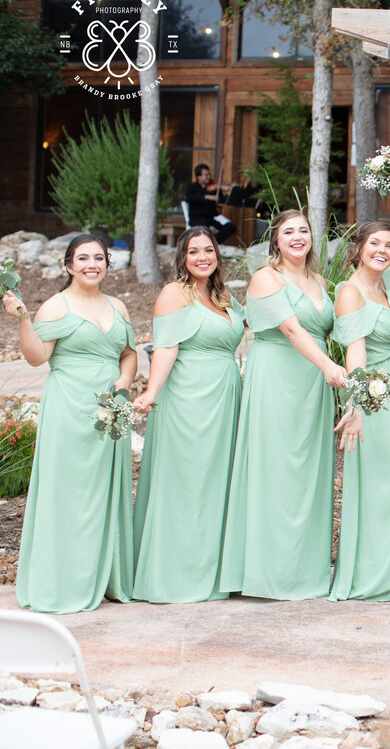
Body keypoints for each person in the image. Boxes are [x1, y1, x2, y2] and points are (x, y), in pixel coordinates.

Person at [1, 235, 137, 614]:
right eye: (83, 258)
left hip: (109, 409)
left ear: (107, 264)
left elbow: (128, 354)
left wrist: (123, 385)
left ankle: (104, 576)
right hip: (68, 407)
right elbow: (35, 358)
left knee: (104, 493)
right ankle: (62, 579)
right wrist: (24, 319)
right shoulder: (55, 307)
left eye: (99, 258)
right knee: (66, 493)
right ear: (68, 265)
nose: (92, 264)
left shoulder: (118, 306)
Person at [220, 209, 345, 600]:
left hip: (314, 384)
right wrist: (329, 365)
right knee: (274, 468)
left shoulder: (320, 281)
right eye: (288, 231)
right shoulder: (265, 277)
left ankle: (305, 571)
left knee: (308, 472)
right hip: (277, 376)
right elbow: (291, 329)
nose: (296, 237)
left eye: (303, 230)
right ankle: (266, 572)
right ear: (275, 240)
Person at [130, 227, 246, 603]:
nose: (201, 257)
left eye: (208, 250)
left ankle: (214, 572)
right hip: (188, 399)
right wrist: (151, 391)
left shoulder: (224, 295)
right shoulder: (173, 293)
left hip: (225, 397)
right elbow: (165, 348)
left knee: (217, 482)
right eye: (193, 251)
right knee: (187, 480)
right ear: (182, 257)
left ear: (217, 256)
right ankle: (176, 574)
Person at [329, 182, 390, 601]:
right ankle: (374, 572)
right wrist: (357, 405)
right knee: (381, 478)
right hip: (375, 393)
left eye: (388, 245)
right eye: (375, 244)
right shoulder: (350, 292)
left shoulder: (386, 283)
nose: (384, 250)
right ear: (358, 249)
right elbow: (355, 351)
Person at [184, 164, 237, 244]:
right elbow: (189, 198)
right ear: (199, 177)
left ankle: (213, 242)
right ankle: (209, 244)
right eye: (206, 175)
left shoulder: (214, 188)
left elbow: (222, 201)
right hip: (197, 218)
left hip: (212, 218)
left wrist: (229, 192)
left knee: (231, 227)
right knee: (203, 228)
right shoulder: (192, 187)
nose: (209, 177)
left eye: (209, 174)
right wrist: (207, 196)